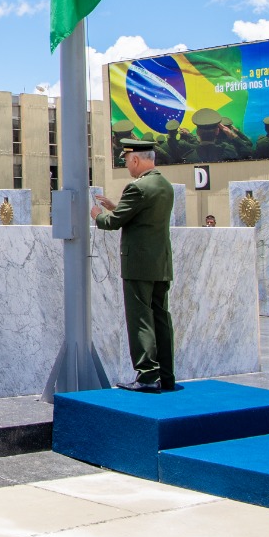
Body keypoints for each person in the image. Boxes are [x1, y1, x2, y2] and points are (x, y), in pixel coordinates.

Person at [94, 138, 177, 393]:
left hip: (138, 264)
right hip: (160, 263)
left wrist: (99, 215)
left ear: (136, 159)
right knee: (161, 318)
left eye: (127, 162)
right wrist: (115, 206)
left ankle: (147, 375)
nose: (128, 167)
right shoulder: (164, 185)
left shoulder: (137, 188)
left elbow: (114, 222)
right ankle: (165, 375)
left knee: (141, 319)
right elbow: (141, 216)